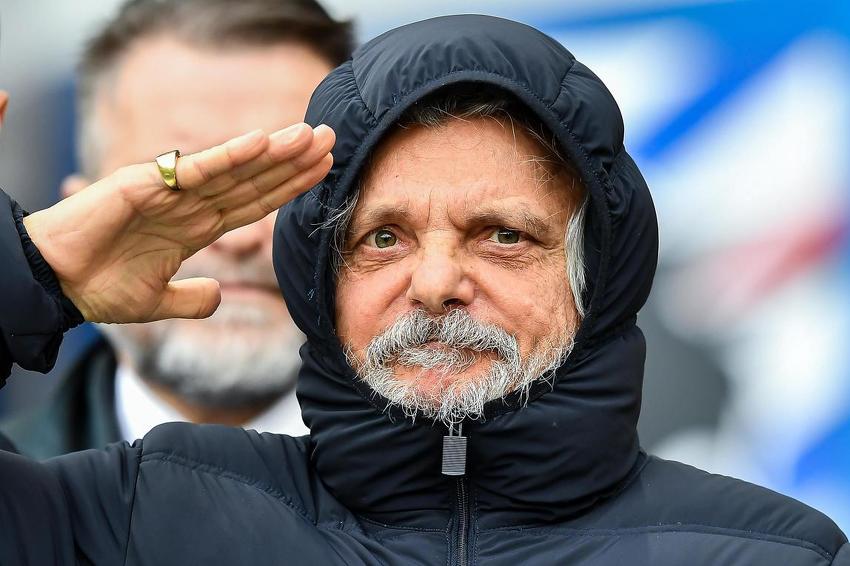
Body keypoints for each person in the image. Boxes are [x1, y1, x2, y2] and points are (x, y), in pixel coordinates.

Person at [0, 14, 847, 565]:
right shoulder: (135, 515)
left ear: (598, 275)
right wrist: (23, 272)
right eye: (384, 238)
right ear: (322, 278)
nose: (436, 284)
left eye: (503, 236)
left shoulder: (770, 553)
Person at [0, 0, 354, 458]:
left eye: (287, 183)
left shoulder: (463, 494)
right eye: (176, 186)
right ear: (75, 209)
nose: (237, 236)